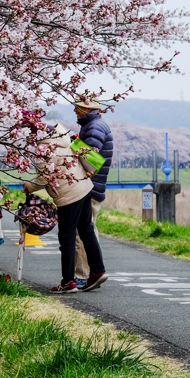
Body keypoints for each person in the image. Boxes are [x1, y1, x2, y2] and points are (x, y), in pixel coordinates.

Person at [24, 122, 108, 294]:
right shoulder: (61, 136)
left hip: (68, 195)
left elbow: (45, 178)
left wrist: (29, 186)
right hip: (84, 186)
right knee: (86, 230)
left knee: (67, 238)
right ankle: (98, 270)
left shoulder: (42, 150)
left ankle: (68, 281)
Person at [72, 96, 114, 288]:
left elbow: (90, 158)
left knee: (81, 233)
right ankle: (94, 271)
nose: (75, 113)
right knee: (90, 229)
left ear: (85, 110)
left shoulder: (94, 128)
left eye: (77, 109)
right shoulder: (96, 125)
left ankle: (82, 275)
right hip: (96, 186)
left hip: (89, 186)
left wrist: (71, 145)